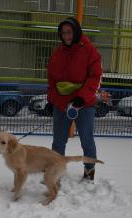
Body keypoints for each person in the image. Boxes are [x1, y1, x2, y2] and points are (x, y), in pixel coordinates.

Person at [47, 17, 103, 181]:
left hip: (83, 104)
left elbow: (95, 77)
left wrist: (81, 98)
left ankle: (89, 171)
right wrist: (51, 100)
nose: (66, 36)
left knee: (86, 139)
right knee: (58, 142)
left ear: (76, 32)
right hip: (62, 103)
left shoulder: (90, 51)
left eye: (69, 32)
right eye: (63, 33)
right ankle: (56, 172)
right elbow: (51, 79)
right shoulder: (57, 52)